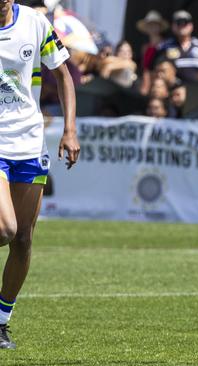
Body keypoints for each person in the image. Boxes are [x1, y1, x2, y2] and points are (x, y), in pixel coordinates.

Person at [0, 0, 80, 349]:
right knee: (5, 228)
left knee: (23, 240)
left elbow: (64, 74)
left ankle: (1, 322)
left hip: (30, 145)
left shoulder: (35, 22)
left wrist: (70, 130)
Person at [157, 10, 198, 83]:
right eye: (178, 23)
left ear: (191, 26)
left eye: (185, 23)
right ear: (173, 26)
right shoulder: (164, 47)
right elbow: (157, 71)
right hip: (174, 91)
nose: (181, 26)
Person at [137, 10, 168, 95]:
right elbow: (144, 68)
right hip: (147, 83)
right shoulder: (145, 47)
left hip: (160, 81)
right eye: (150, 25)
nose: (152, 27)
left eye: (155, 25)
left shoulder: (166, 45)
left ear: (160, 27)